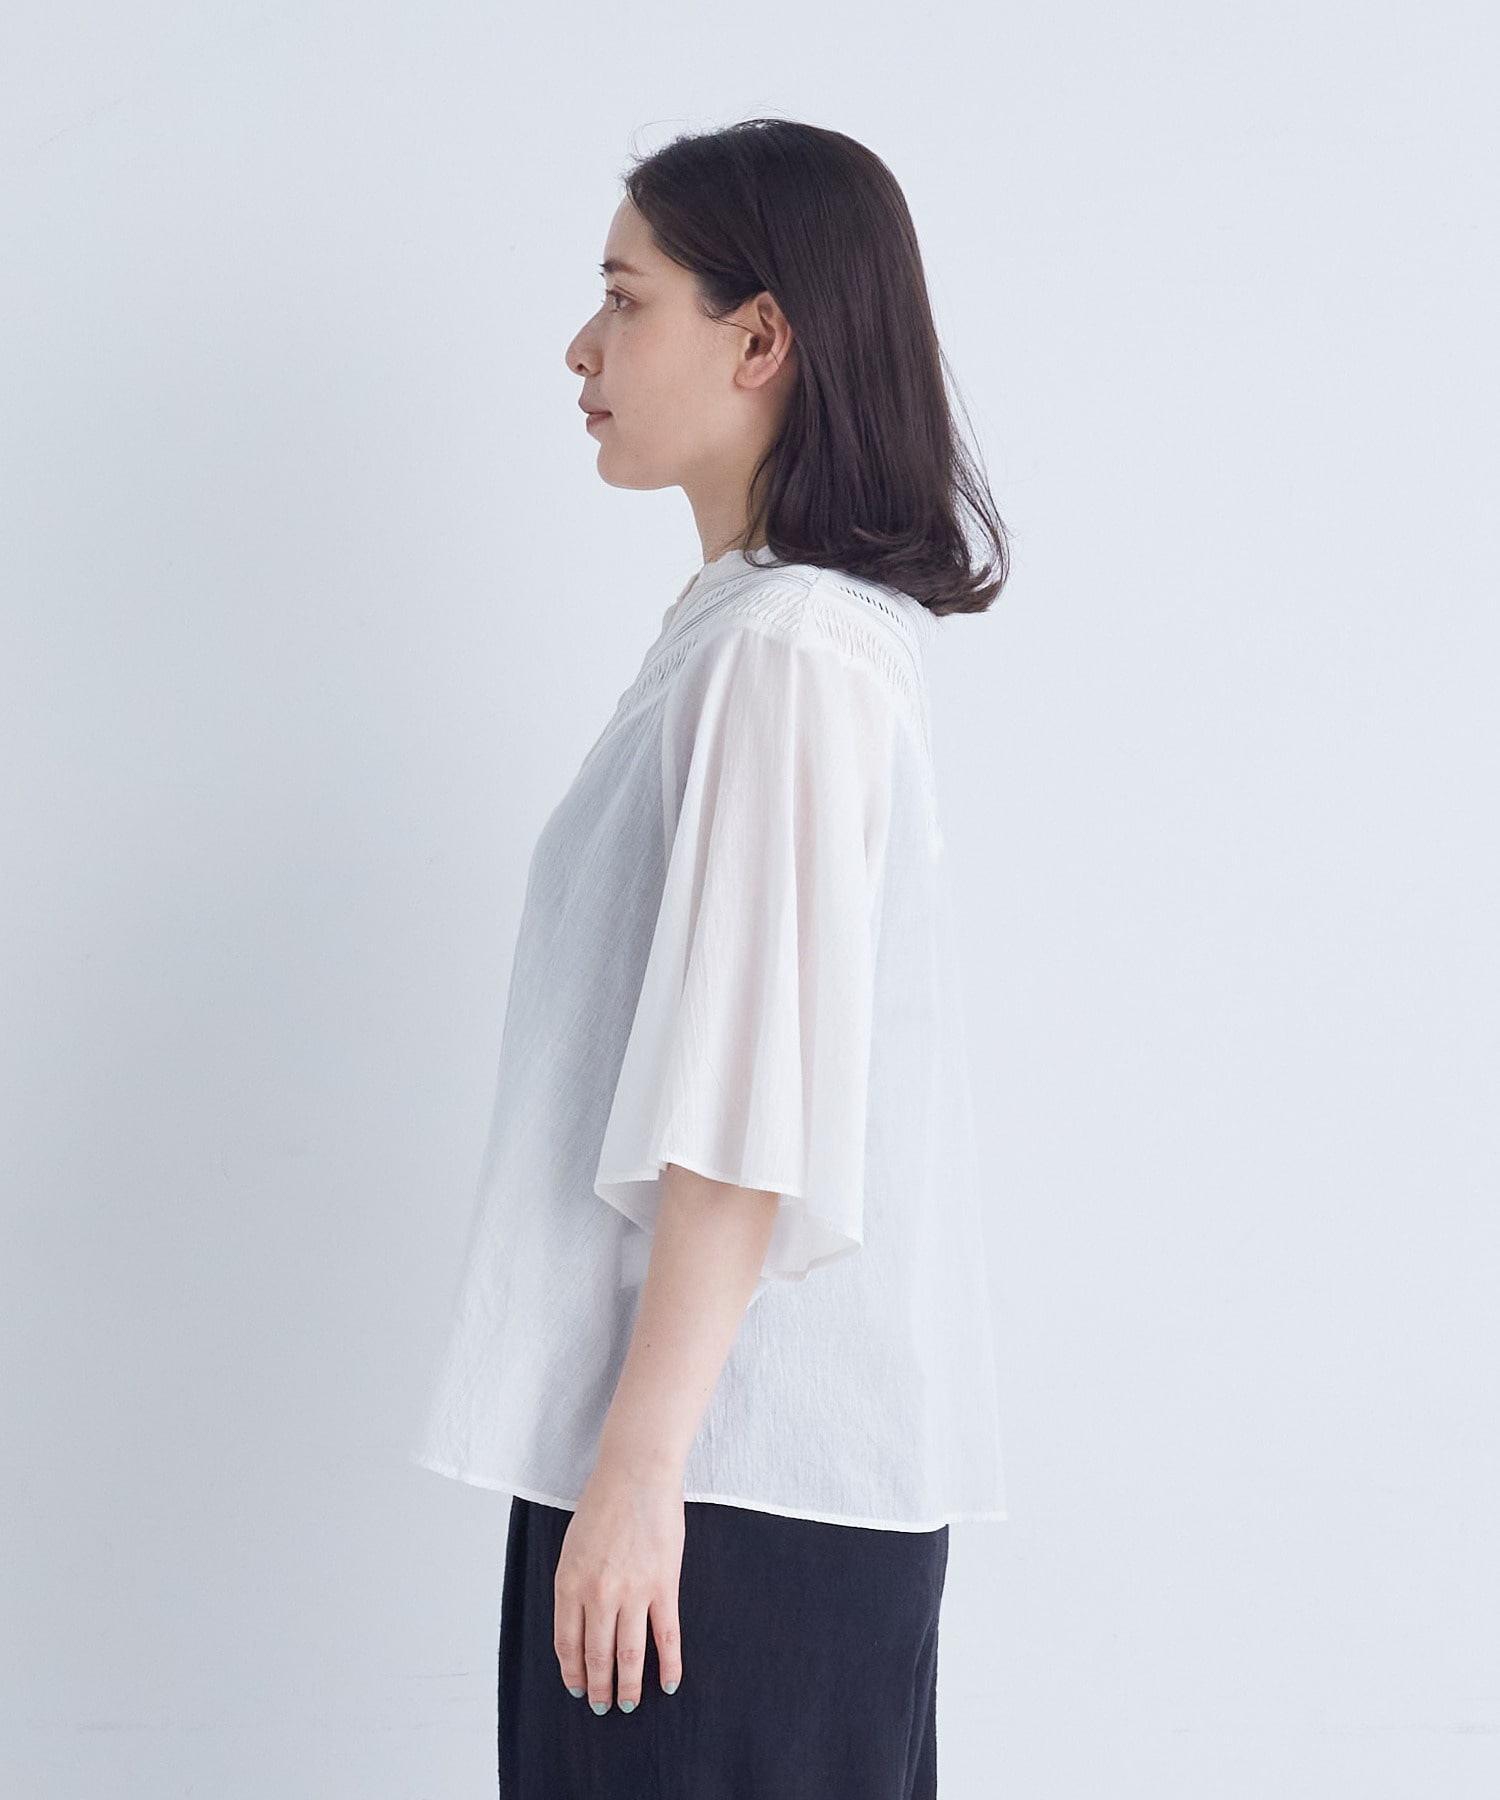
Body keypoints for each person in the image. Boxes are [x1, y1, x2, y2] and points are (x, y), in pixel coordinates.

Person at [410, 116, 1012, 1798]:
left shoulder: (791, 653)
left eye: (626, 298)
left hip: (719, 1486)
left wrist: (641, 1467)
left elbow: (750, 1110)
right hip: (701, 1472)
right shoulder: (758, 633)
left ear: (762, 341)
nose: (581, 347)